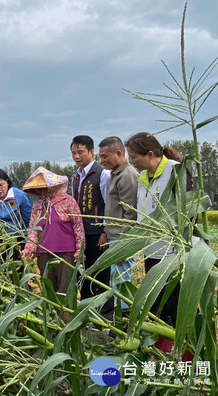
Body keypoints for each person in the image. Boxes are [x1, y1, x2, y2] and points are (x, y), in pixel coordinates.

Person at [124, 132, 193, 356]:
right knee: (156, 299)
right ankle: (162, 347)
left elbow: (190, 211)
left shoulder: (176, 171)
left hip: (174, 251)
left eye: (134, 157)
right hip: (152, 250)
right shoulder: (144, 177)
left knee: (176, 300)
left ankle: (185, 349)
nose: (131, 161)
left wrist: (180, 239)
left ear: (151, 154)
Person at [21, 167, 84, 322]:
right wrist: (29, 247)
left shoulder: (67, 201)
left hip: (65, 254)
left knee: (64, 292)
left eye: (44, 187)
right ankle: (54, 324)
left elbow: (78, 226)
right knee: (50, 291)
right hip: (44, 254)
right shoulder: (38, 204)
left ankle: (67, 326)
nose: (42, 190)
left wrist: (80, 251)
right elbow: (33, 229)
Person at [70, 135, 114, 319]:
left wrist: (106, 230)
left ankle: (106, 314)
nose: (76, 156)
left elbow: (108, 203)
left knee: (102, 274)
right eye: (73, 153)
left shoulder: (102, 174)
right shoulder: (76, 177)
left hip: (98, 233)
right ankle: (87, 313)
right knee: (85, 274)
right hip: (82, 234)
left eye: (80, 152)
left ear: (91, 151)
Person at [98, 137, 139, 310]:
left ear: (119, 153)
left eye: (105, 156)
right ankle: (120, 322)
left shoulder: (127, 176)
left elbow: (131, 214)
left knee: (122, 284)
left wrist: (124, 246)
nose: (102, 161)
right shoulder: (116, 174)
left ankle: (124, 320)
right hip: (115, 237)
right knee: (116, 282)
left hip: (123, 240)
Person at [0, 169, 32, 261]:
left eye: (1, 185)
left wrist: (30, 241)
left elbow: (28, 219)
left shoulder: (19, 196)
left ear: (7, 182)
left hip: (19, 238)